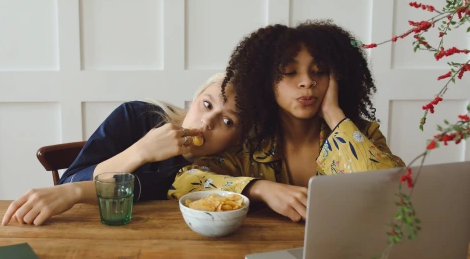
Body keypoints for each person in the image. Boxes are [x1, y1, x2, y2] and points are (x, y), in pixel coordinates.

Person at [169, 21, 405, 222]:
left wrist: (334, 114)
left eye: (319, 71)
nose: (307, 82)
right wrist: (259, 188)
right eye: (290, 72)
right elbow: (184, 182)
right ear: (265, 81)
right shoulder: (247, 145)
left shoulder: (362, 135)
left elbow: (395, 195)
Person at [2, 72, 244, 226]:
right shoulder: (137, 115)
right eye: (206, 104)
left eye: (227, 121)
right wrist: (140, 151)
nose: (207, 121)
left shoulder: (222, 172)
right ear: (194, 99)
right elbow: (68, 182)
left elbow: (149, 188)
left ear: (236, 139)